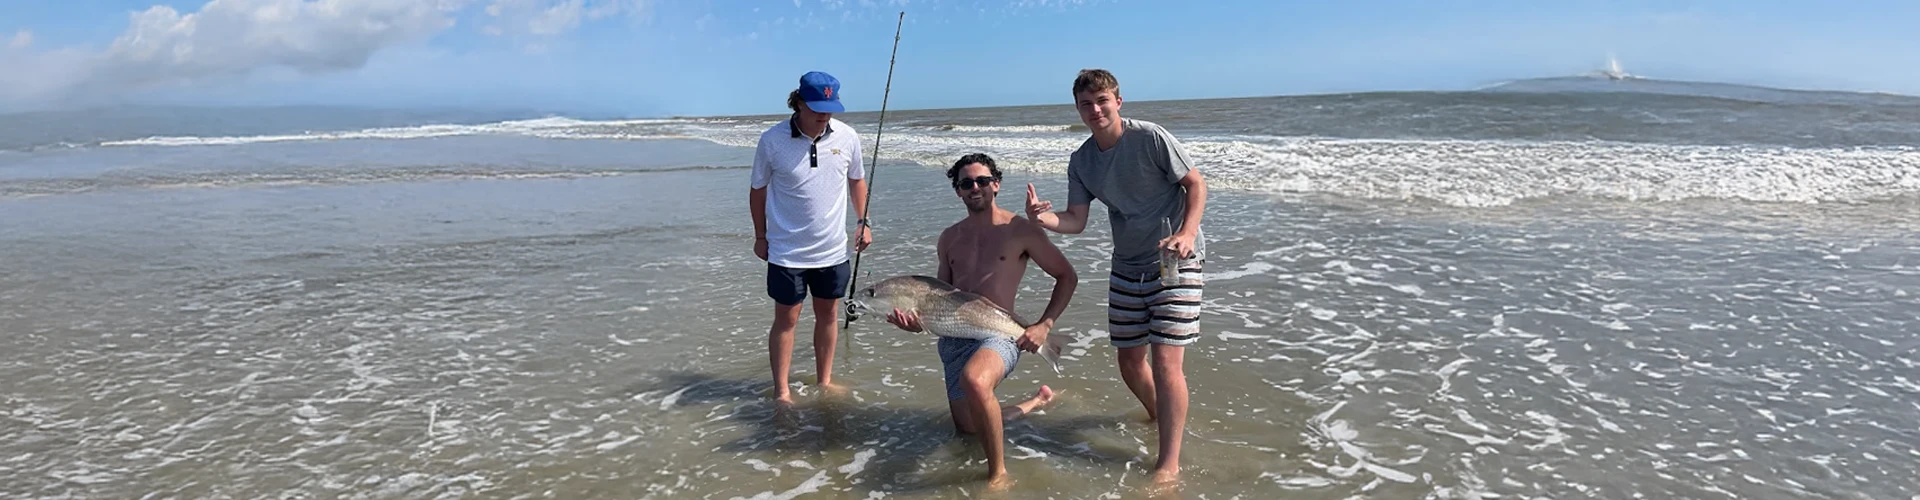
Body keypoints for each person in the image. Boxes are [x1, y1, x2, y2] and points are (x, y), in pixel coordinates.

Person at [1024, 68, 1208, 486]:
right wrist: (1042, 219)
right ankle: (1162, 418)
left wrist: (1187, 233)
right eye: (1086, 104)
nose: (1095, 109)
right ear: (1078, 109)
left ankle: (1168, 463)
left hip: (1174, 259)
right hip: (1126, 265)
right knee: (1129, 362)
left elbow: (1196, 184)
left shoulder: (1150, 137)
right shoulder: (1082, 161)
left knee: (1165, 361)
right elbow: (1075, 220)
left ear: (1118, 102)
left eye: (1102, 100)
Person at [886, 153, 1076, 490]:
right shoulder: (949, 238)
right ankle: (1037, 400)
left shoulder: (1021, 231)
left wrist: (1044, 325)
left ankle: (998, 474)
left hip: (999, 333)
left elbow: (1067, 276)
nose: (975, 187)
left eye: (982, 181)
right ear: (957, 191)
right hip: (955, 334)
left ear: (996, 185)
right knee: (970, 429)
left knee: (976, 381)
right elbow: (937, 294)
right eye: (966, 183)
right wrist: (917, 322)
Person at [749, 71, 873, 407]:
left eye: (830, 106)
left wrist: (863, 221)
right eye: (817, 106)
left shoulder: (847, 137)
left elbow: (857, 181)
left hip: (832, 250)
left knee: (828, 315)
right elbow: (758, 190)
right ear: (799, 102)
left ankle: (825, 381)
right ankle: (782, 390)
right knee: (786, 319)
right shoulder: (772, 140)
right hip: (786, 250)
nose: (824, 114)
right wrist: (760, 236)